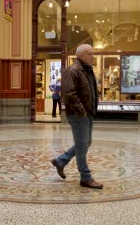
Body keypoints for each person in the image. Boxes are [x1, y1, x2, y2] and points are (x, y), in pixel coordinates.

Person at [51, 44, 103, 189]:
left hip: (87, 113)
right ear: (80, 55)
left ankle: (61, 161)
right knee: (82, 146)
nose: (93, 56)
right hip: (78, 114)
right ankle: (85, 177)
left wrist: (89, 111)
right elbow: (68, 95)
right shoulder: (72, 70)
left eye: (93, 53)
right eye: (90, 53)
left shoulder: (87, 70)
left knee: (86, 143)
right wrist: (82, 111)